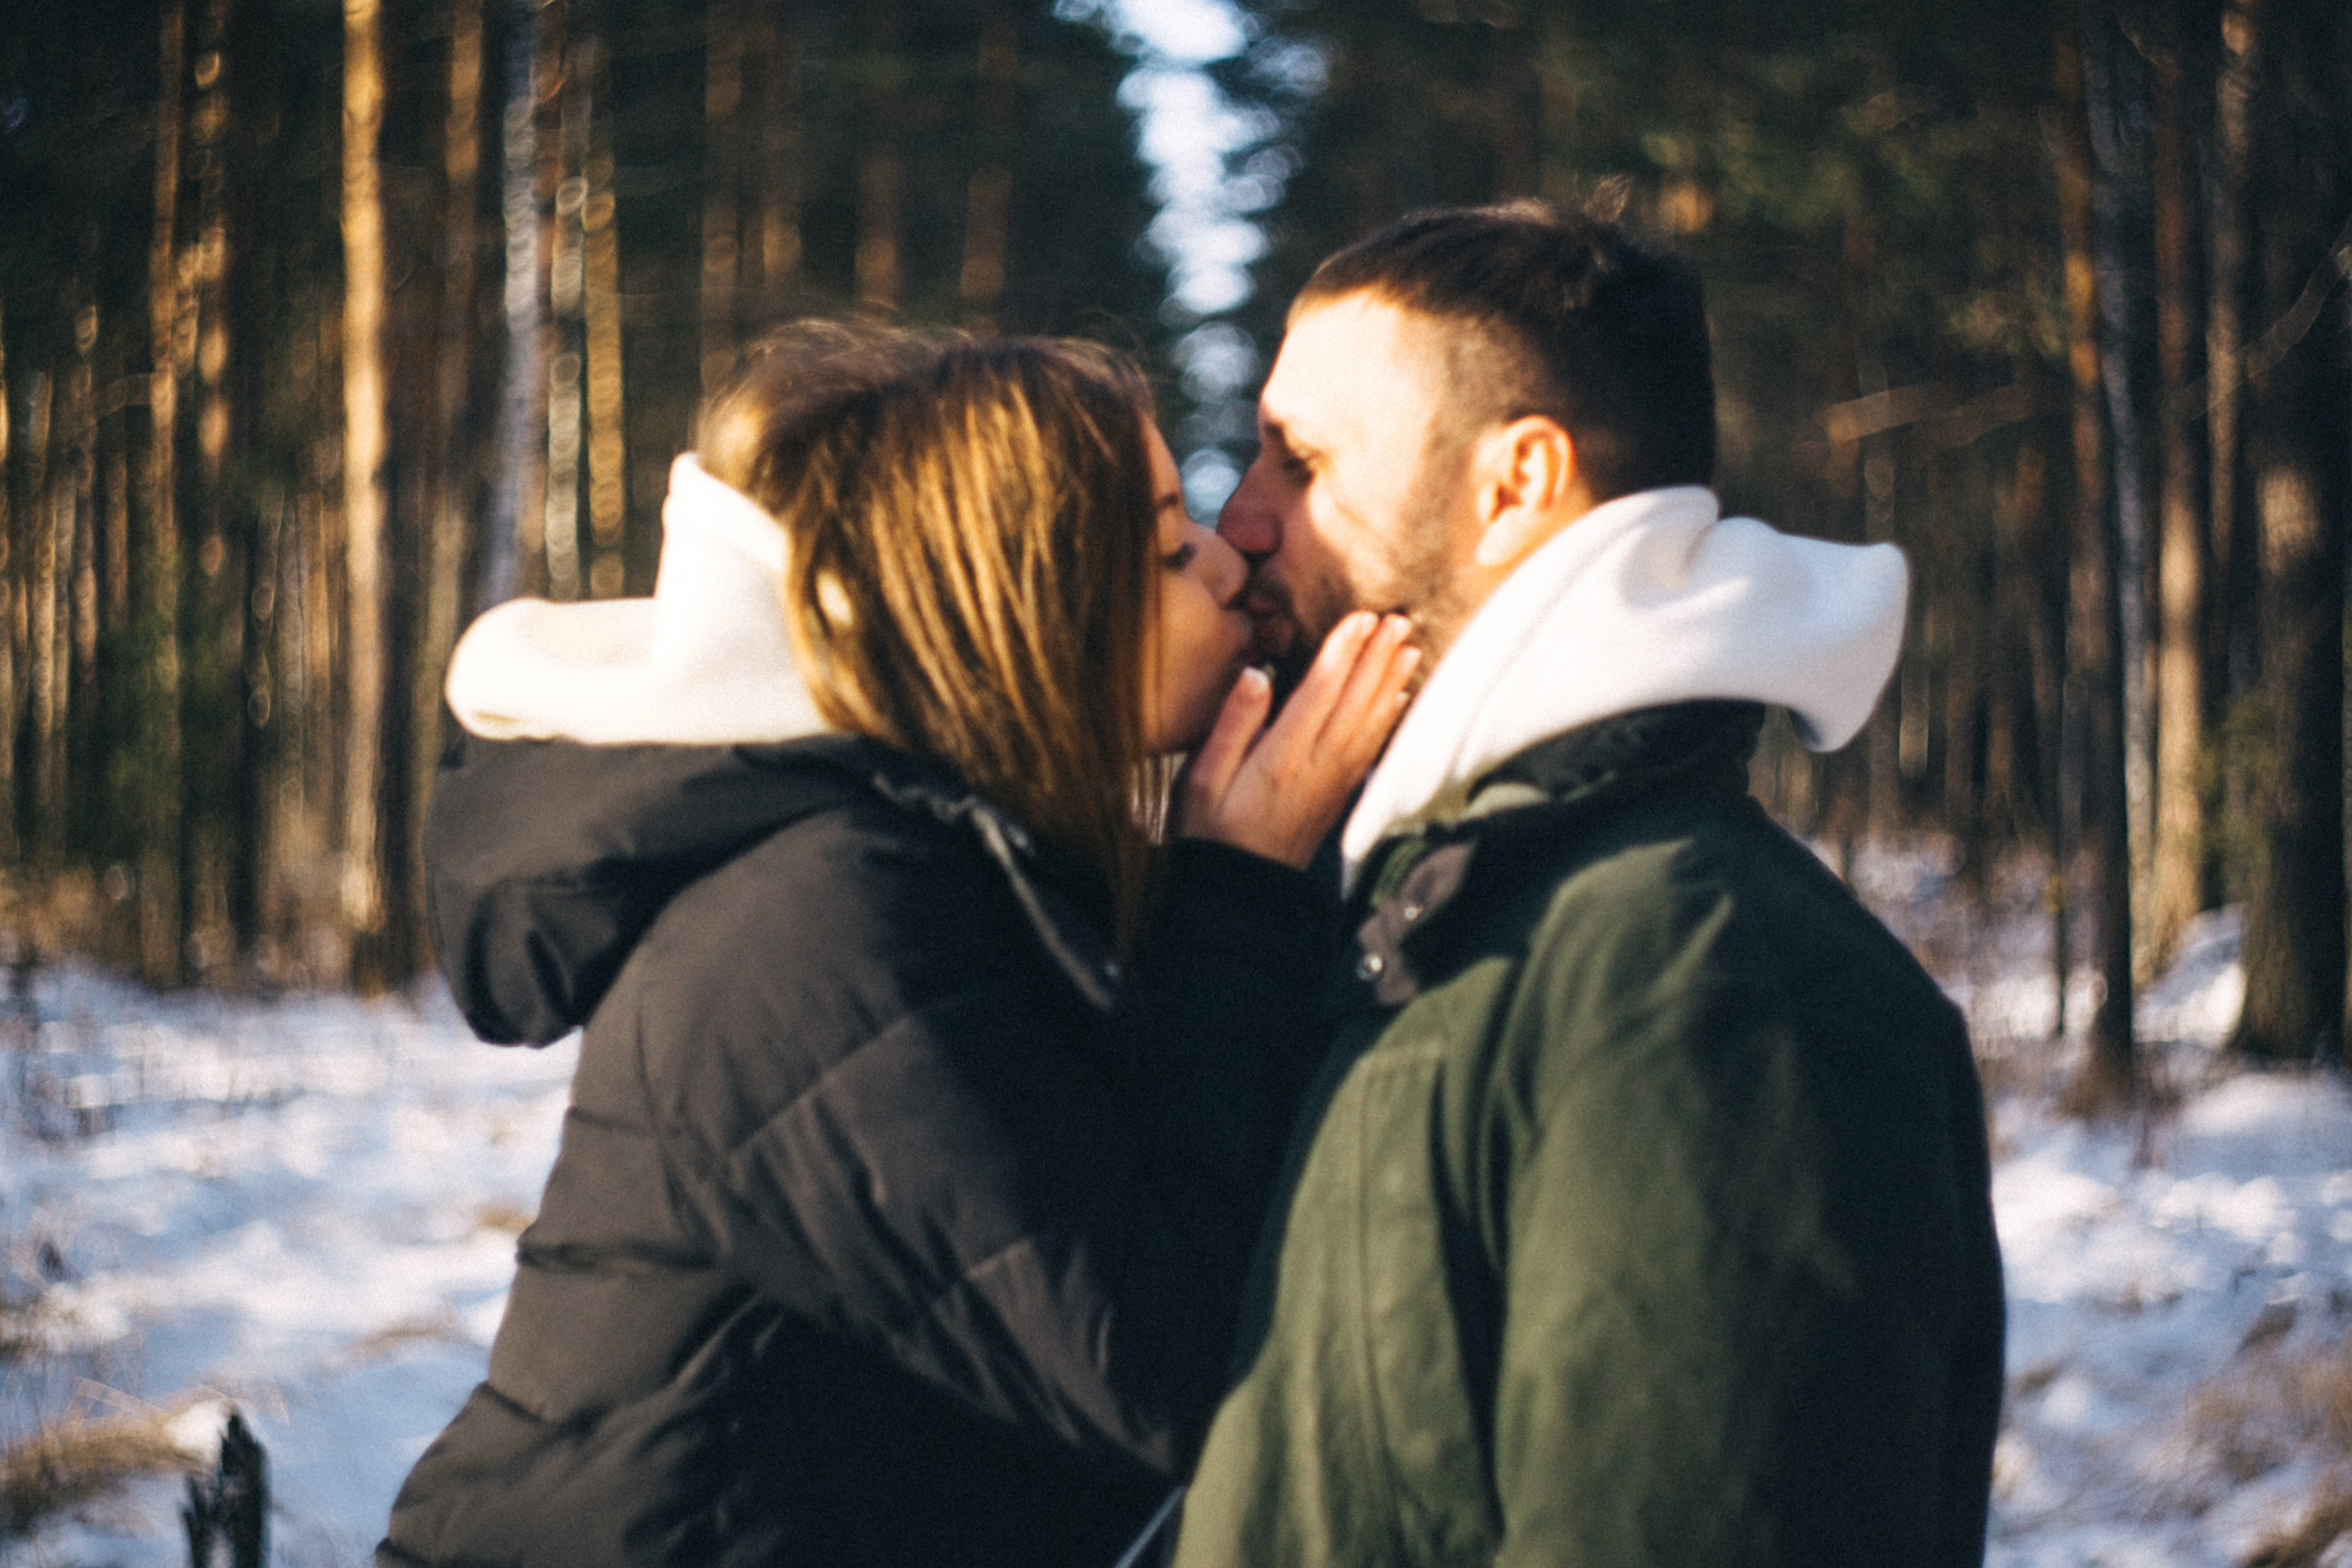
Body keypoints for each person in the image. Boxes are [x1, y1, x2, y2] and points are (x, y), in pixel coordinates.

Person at [377, 323, 1418, 1568]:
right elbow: (1161, 1368)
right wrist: (1236, 897)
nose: (1224, 562)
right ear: (1027, 619)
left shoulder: (965, 869)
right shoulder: (818, 930)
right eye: (1160, 547)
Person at [1170, 204, 2005, 1567]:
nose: (1243, 518)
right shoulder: (1450, 923)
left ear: (1515, 484)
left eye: (1302, 460)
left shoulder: (1715, 989)